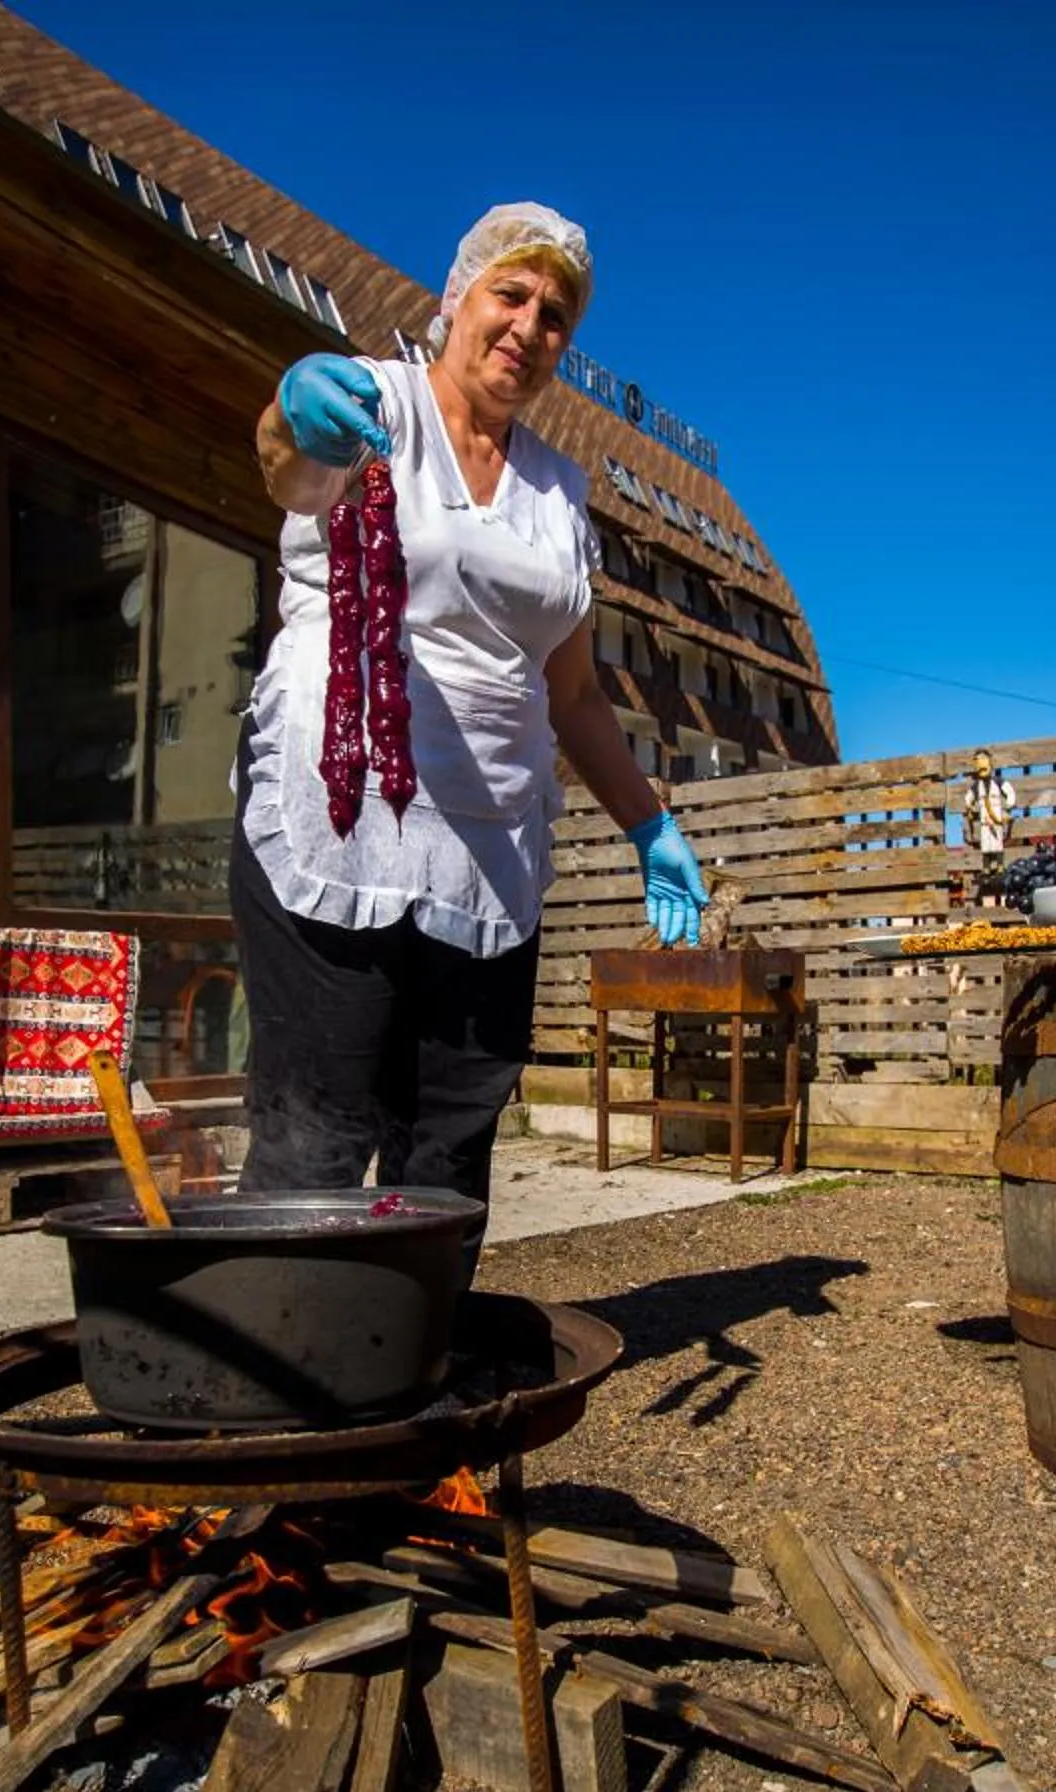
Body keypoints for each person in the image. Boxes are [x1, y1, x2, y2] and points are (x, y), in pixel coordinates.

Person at [232, 201, 706, 1279]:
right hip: (340, 822)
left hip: (490, 850)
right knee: (318, 1133)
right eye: (512, 294)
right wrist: (293, 412)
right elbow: (287, 467)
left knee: (448, 1148)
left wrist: (650, 824)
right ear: (456, 298)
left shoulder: (559, 490)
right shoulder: (375, 400)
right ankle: (284, 1389)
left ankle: (415, 1374)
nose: (528, 327)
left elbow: (574, 692)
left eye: (555, 316)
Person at [964, 750, 1017, 905]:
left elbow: (1010, 793)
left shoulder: (999, 782)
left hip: (996, 818)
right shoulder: (976, 786)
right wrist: (969, 806)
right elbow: (969, 797)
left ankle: (1000, 867)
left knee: (997, 843)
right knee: (986, 845)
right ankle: (986, 868)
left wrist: (1008, 807)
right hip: (984, 820)